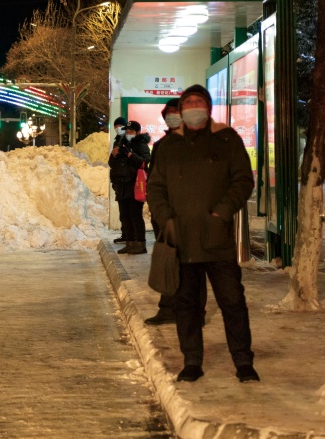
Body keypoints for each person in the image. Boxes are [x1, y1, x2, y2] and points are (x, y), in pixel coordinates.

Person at [147, 85, 259, 383]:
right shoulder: (169, 146)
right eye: (188, 102)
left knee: (232, 301)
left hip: (216, 239)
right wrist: (165, 217)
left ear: (208, 107)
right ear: (181, 109)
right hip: (182, 241)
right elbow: (155, 187)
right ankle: (192, 361)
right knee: (187, 305)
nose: (193, 106)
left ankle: (243, 361)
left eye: (199, 102)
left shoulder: (226, 139)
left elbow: (243, 180)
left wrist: (222, 212)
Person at [144, 99, 207, 327]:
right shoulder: (162, 145)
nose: (172, 118)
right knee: (168, 263)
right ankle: (168, 309)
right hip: (167, 216)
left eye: (176, 113)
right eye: (168, 114)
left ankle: (195, 313)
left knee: (193, 266)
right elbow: (155, 182)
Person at [108, 120, 151, 254]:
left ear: (137, 132)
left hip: (135, 185)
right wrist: (113, 155)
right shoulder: (120, 143)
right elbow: (111, 163)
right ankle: (130, 243)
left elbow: (145, 163)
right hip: (121, 185)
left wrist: (130, 155)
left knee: (135, 215)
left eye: (131, 132)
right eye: (126, 132)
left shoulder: (141, 145)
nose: (128, 134)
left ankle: (140, 244)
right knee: (125, 216)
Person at [110, 117, 129, 245]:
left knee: (130, 212)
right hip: (119, 181)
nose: (118, 128)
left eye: (120, 126)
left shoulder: (129, 141)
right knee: (123, 211)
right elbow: (111, 162)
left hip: (128, 180)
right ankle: (125, 234)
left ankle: (132, 237)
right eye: (116, 126)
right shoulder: (116, 141)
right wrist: (113, 154)